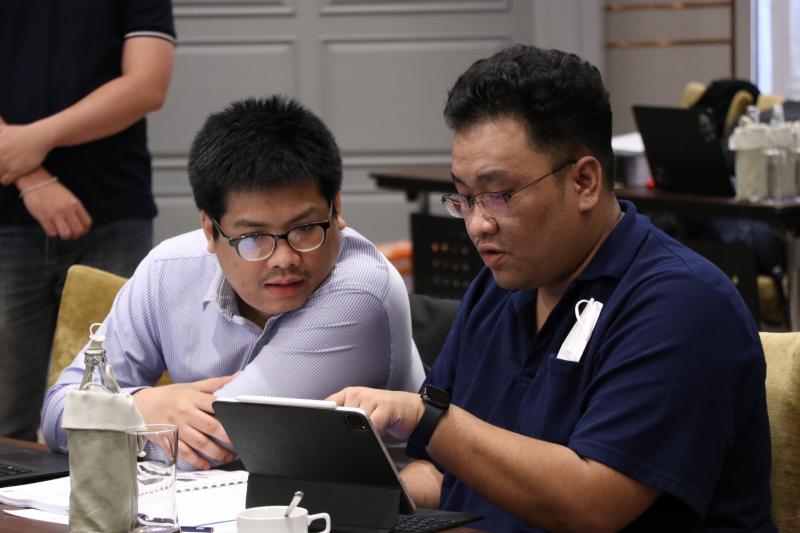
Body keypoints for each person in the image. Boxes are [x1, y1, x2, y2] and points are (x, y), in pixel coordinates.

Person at [331, 45, 776, 532]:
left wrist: (426, 418)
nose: (477, 224)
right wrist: (358, 492)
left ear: (584, 182)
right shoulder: (500, 290)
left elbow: (594, 505)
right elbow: (446, 473)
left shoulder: (680, 304)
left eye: (499, 195)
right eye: (464, 197)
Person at [43, 95, 426, 470]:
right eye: (253, 237)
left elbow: (214, 445)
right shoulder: (169, 269)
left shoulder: (360, 292)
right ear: (210, 230)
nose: (284, 258)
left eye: (305, 228)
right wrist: (138, 408)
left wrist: (123, 418)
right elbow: (58, 415)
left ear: (336, 209)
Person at [0, 0, 176, 441]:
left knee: (108, 410)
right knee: (4, 420)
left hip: (112, 210)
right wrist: (29, 176)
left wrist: (37, 139)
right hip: (6, 218)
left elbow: (147, 85)